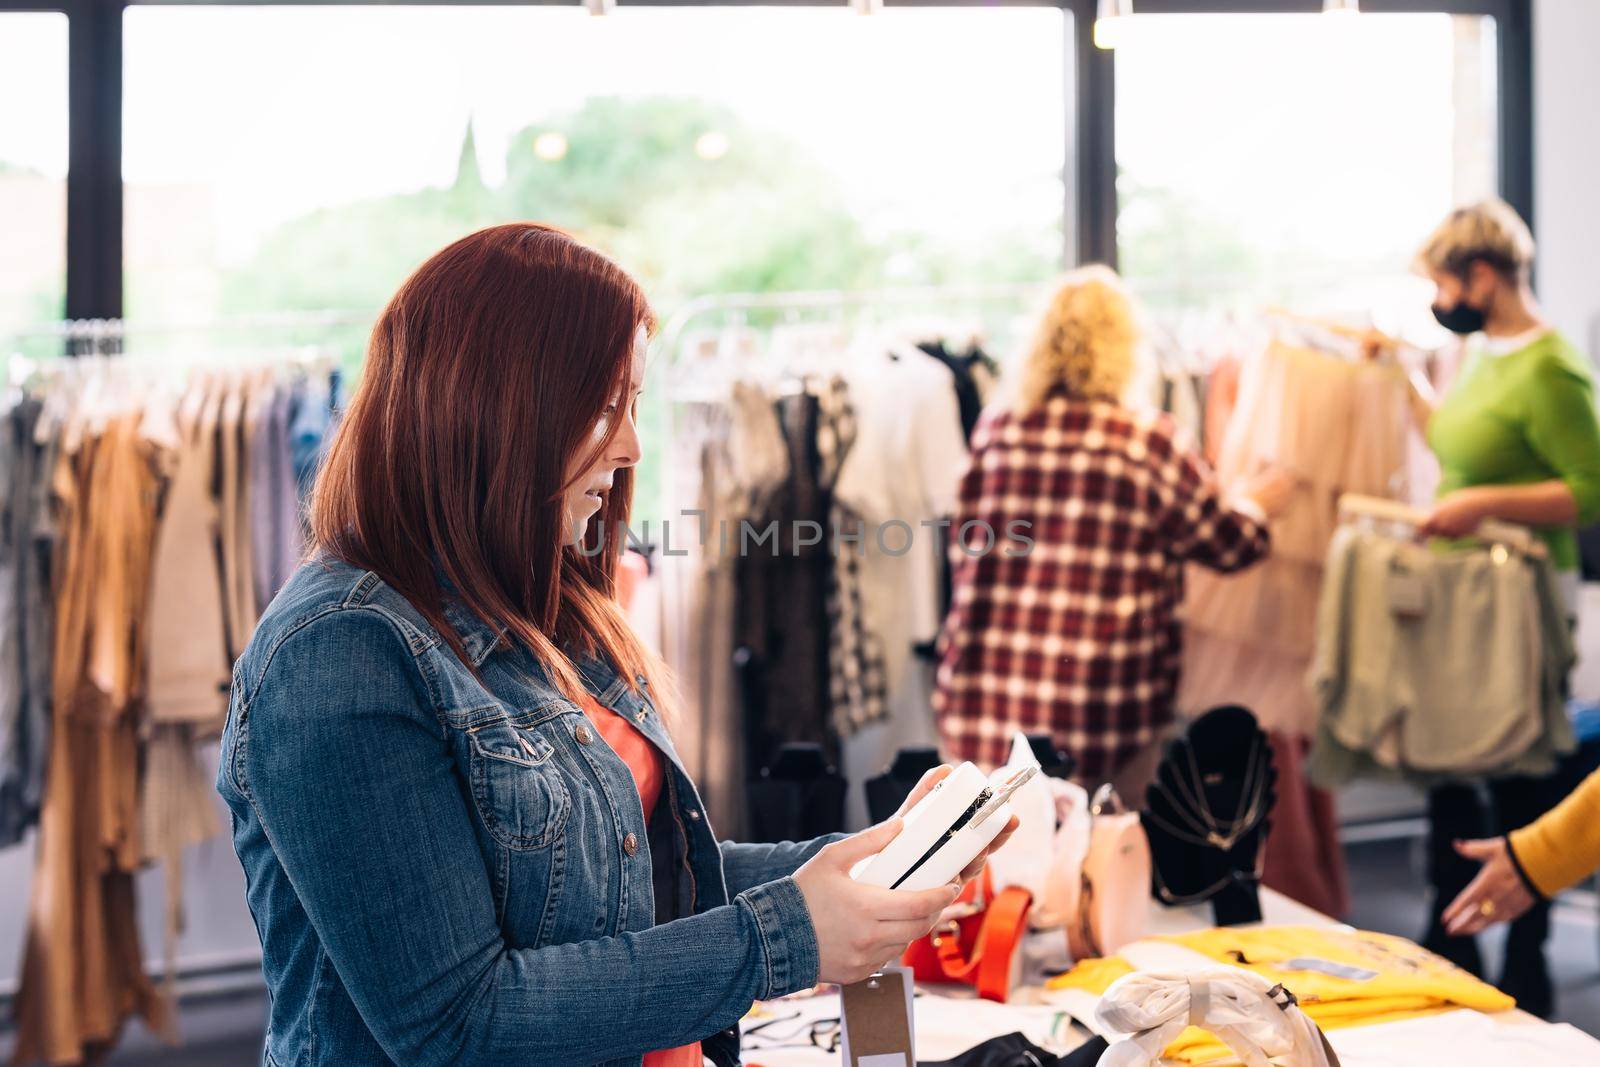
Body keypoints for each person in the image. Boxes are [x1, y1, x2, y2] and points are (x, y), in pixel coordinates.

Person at [215, 223, 1015, 1067]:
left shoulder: (536, 601)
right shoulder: (340, 652)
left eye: (630, 405)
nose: (631, 444)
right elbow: (457, 1023)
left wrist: (874, 858)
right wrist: (784, 939)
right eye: (605, 407)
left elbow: (626, 874)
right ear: (497, 407)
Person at [933, 265, 1291, 799]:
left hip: (983, 704)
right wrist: (1258, 503)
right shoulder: (1146, 440)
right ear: (1126, 348)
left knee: (987, 869)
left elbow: (963, 546)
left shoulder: (997, 430)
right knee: (1098, 864)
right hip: (1100, 711)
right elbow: (1231, 545)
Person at [1368, 198, 1600, 1016]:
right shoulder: (1480, 356)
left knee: (1515, 766)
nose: (1438, 297)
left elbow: (1591, 489)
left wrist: (1482, 507)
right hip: (1464, 595)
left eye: (1441, 279)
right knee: (1454, 760)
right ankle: (1454, 940)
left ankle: (1527, 961)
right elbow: (1460, 447)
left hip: (1523, 601)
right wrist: (1399, 379)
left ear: (1483, 275)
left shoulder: (1550, 367)